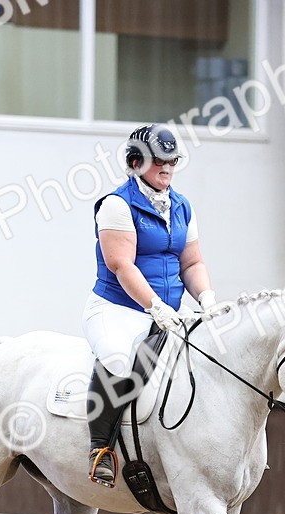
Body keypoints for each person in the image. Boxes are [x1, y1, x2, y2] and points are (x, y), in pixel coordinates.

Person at [82, 123, 217, 487]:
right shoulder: (117, 204)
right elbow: (121, 264)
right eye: (160, 162)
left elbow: (191, 263)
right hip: (118, 309)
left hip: (168, 312)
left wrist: (206, 299)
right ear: (136, 161)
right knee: (117, 359)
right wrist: (156, 306)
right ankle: (100, 449)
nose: (168, 169)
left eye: (172, 162)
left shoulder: (182, 206)